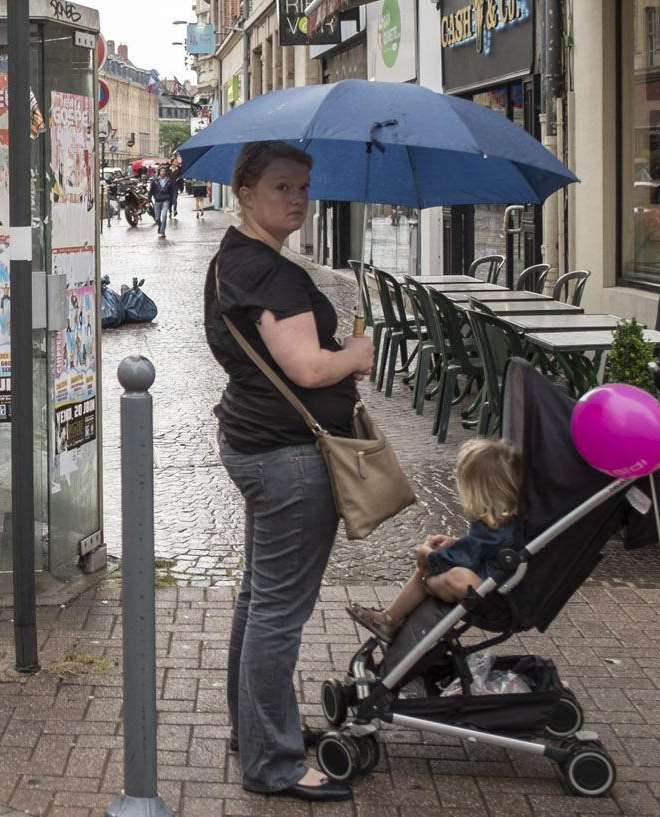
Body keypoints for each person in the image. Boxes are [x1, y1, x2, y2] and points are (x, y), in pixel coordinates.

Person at [203, 140, 375, 804]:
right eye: (282, 186)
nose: (298, 198)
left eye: (304, 186)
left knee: (259, 599)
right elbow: (306, 369)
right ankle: (272, 763)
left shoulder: (234, 259)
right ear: (245, 192)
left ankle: (256, 731)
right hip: (290, 457)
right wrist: (355, 352)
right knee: (278, 610)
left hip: (260, 441)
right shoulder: (268, 272)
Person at [346, 439, 520, 640]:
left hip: (492, 600)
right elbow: (478, 550)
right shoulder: (509, 521)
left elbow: (466, 556)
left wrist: (430, 556)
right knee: (437, 566)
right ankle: (391, 617)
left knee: (439, 571)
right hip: (492, 587)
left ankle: (398, 611)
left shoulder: (496, 528)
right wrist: (455, 543)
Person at [148, 167, 178, 238]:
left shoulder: (168, 181)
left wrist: (171, 202)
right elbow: (151, 192)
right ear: (159, 172)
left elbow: (171, 192)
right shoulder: (154, 181)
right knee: (157, 218)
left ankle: (162, 231)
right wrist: (149, 200)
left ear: (166, 172)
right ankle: (160, 226)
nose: (163, 172)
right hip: (157, 200)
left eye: (164, 171)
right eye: (161, 171)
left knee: (164, 216)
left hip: (165, 200)